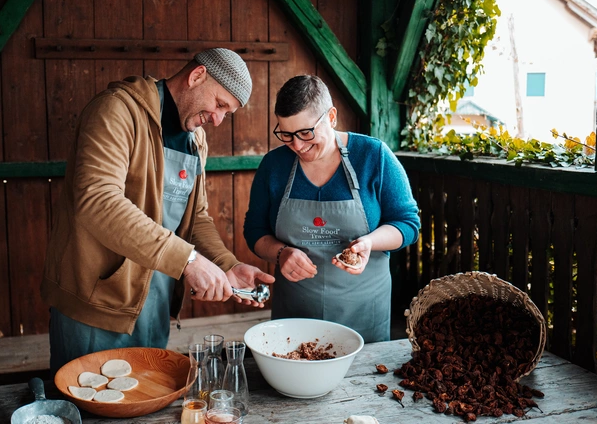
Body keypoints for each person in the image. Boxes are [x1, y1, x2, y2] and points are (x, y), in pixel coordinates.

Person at [42, 48, 275, 374]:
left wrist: (227, 265)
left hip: (154, 307)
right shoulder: (116, 111)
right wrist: (189, 260)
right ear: (197, 76)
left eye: (228, 113)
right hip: (96, 307)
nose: (219, 119)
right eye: (220, 104)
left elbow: (196, 218)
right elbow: (98, 201)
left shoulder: (196, 140)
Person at [244, 75, 420, 343]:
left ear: (332, 117)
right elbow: (255, 230)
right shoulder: (273, 165)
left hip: (364, 313)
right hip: (296, 314)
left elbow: (408, 224)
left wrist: (369, 242)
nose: (298, 146)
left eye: (306, 133)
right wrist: (281, 253)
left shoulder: (374, 157)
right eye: (286, 135)